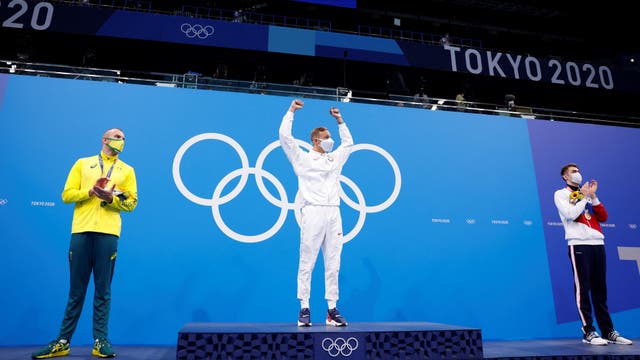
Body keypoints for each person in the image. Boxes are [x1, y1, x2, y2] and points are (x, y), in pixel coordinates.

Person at [32, 128, 138, 359]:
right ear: (105, 139)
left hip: (109, 234)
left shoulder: (127, 170)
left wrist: (111, 199)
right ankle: (62, 341)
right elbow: (66, 195)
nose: (121, 141)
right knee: (76, 291)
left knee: (103, 291)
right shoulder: (83, 163)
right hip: (81, 231)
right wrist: (89, 192)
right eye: (117, 137)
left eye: (123, 138)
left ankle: (101, 341)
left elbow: (131, 203)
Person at [279, 99, 353, 327]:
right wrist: (291, 111)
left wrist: (340, 121)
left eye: (331, 136)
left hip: (334, 214)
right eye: (327, 137)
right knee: (307, 261)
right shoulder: (301, 158)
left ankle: (332, 309)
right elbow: (285, 137)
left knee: (334, 262)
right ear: (315, 140)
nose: (331, 140)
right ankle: (304, 308)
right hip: (313, 213)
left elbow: (348, 144)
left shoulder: (334, 159)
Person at [554, 163, 632, 346]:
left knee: (600, 290)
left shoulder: (585, 195)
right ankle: (588, 331)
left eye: (578, 170)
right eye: (573, 171)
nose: (577, 173)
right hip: (579, 244)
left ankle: (608, 331)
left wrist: (593, 196)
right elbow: (571, 213)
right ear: (565, 176)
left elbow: (603, 217)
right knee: (583, 288)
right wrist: (584, 195)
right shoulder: (561, 194)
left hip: (598, 244)